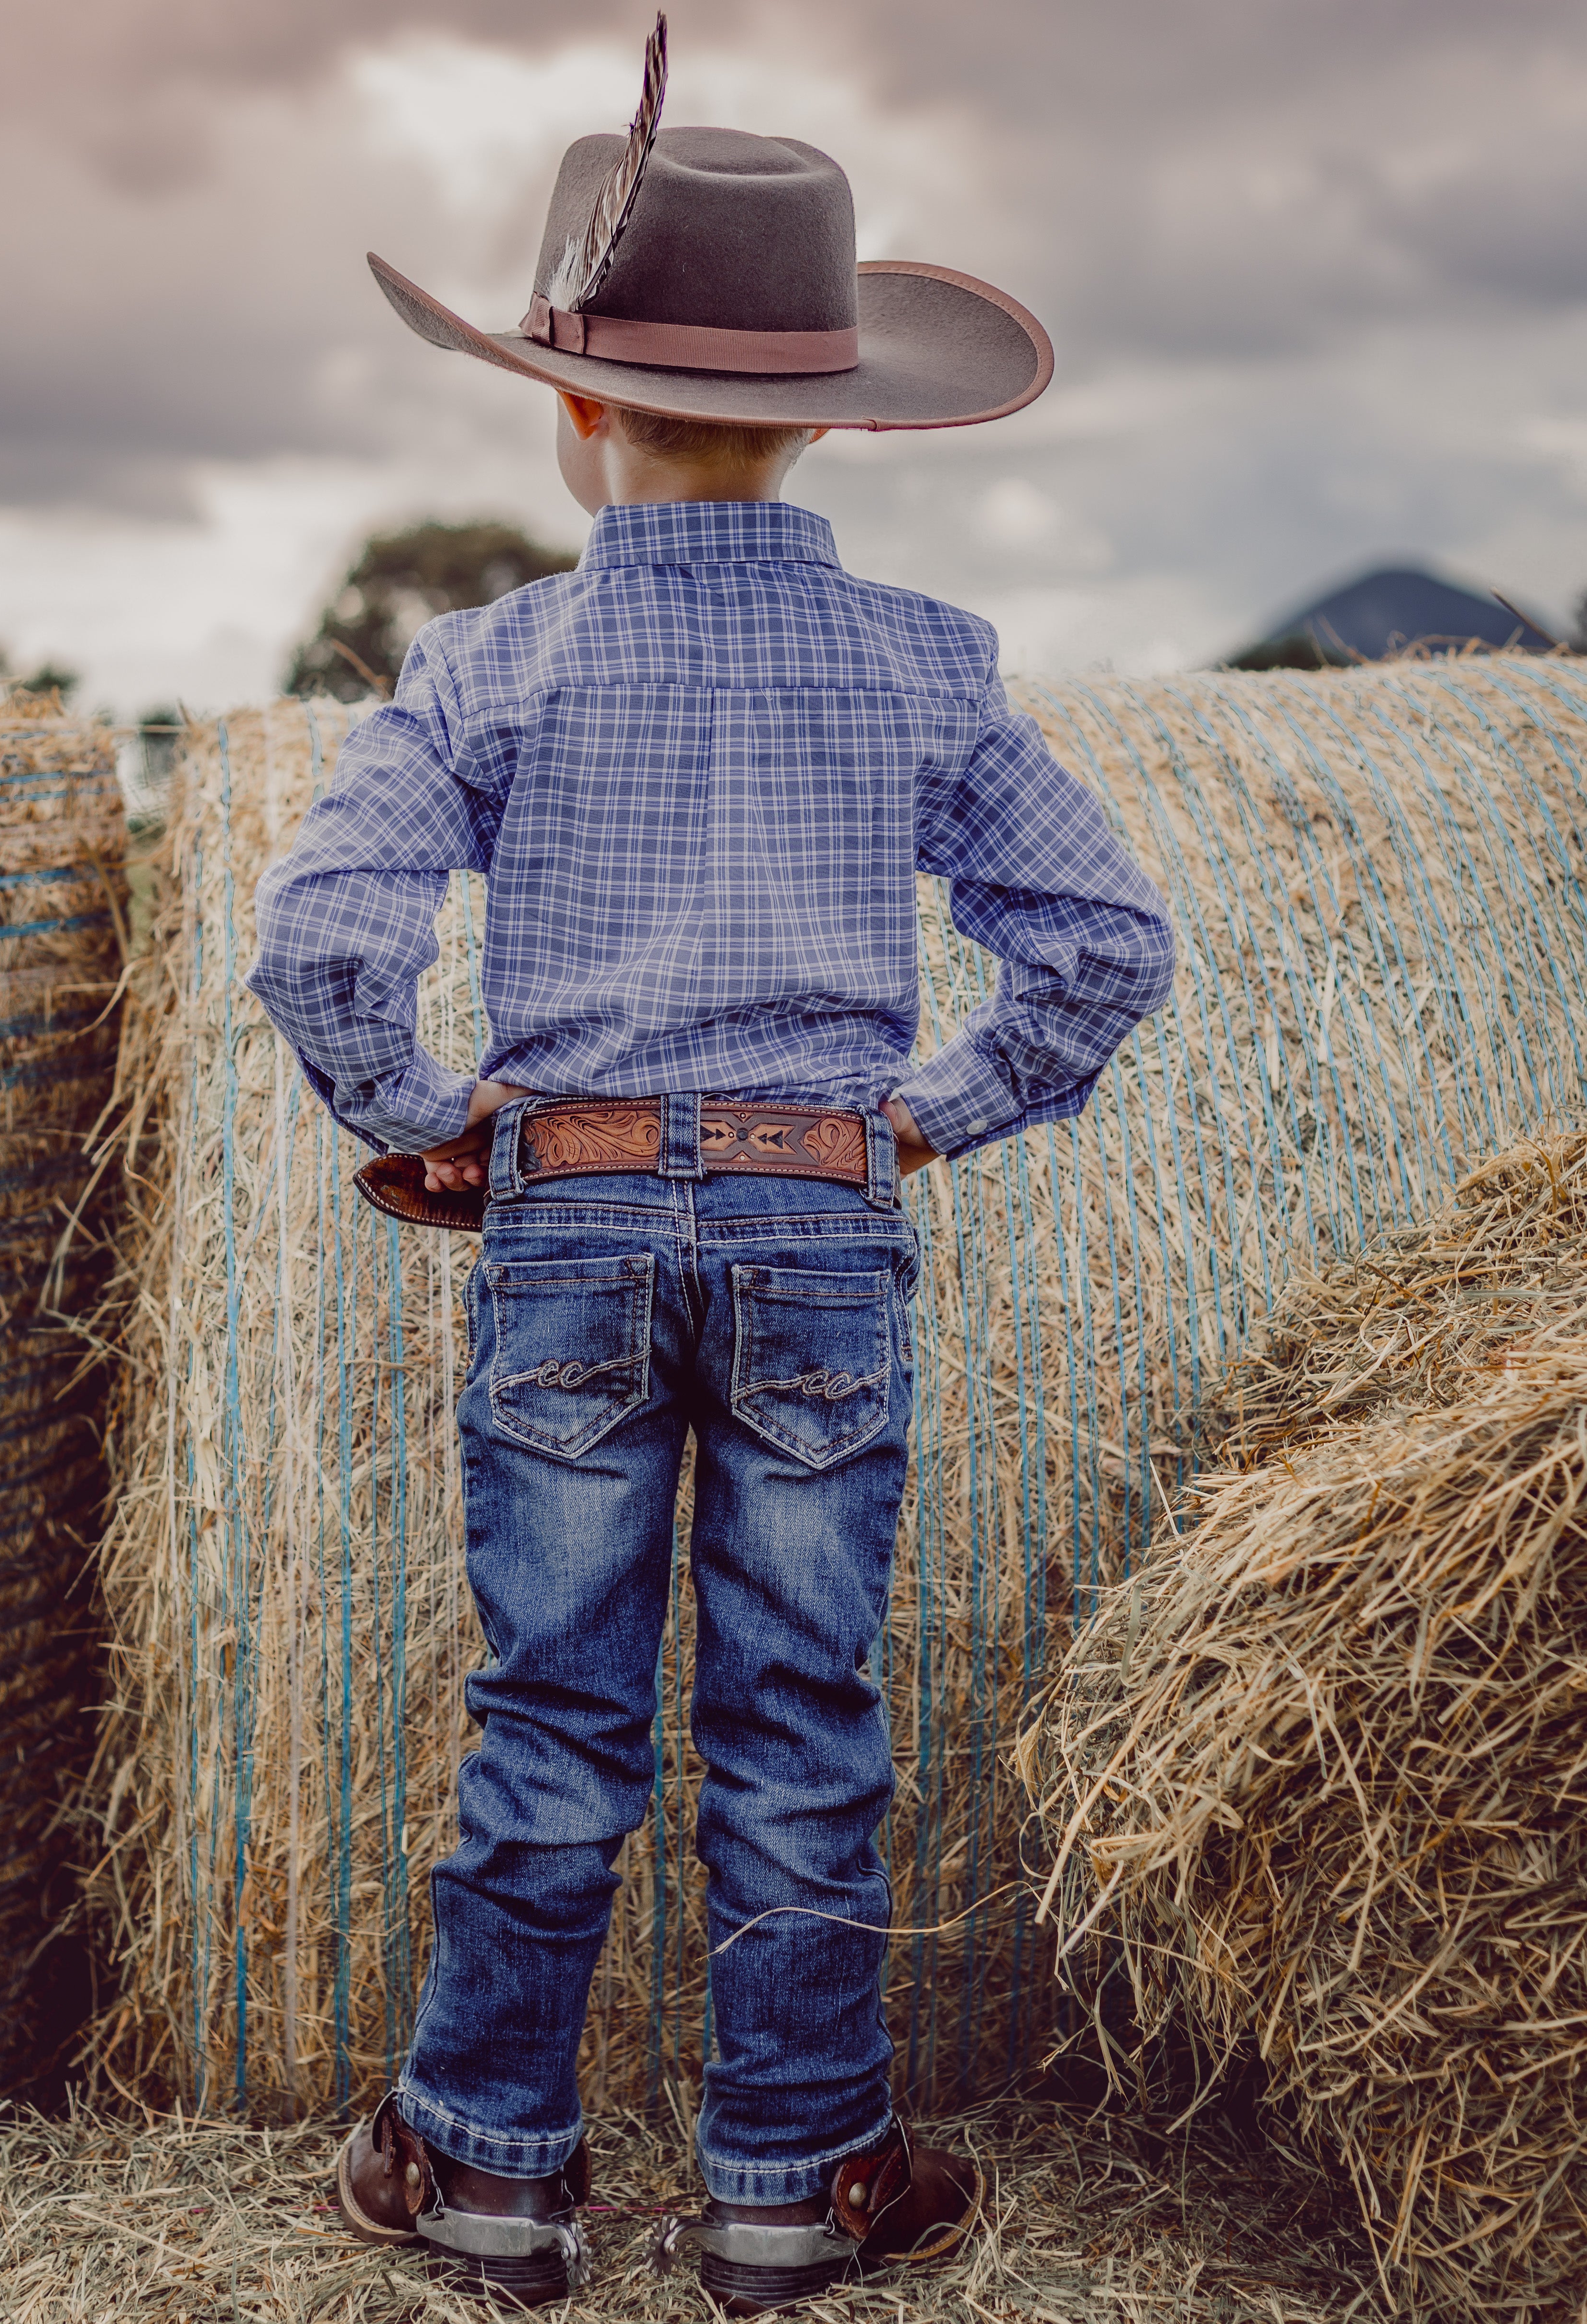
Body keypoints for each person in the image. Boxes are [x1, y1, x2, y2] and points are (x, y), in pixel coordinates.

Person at [248, 20, 1174, 2314]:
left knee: (554, 1709)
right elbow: (1104, 940)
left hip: (563, 1223)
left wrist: (428, 1113)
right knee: (798, 1713)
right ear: (829, 419)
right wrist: (924, 1111)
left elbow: (322, 941)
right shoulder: (922, 661)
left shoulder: (483, 665)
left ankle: (485, 2168)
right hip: (818, 1227)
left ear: (574, 415)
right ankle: (792, 2178)